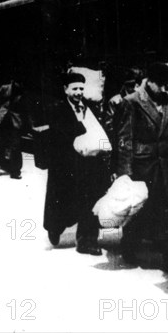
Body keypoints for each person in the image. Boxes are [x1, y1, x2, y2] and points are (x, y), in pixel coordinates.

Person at [116, 63, 168, 275]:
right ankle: (129, 244)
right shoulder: (132, 102)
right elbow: (124, 139)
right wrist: (125, 174)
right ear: (150, 81)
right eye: (160, 85)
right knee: (141, 209)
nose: (164, 90)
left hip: (167, 164)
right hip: (143, 165)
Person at [43, 72, 110, 255]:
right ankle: (55, 227)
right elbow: (61, 134)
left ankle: (87, 241)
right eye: (74, 89)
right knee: (63, 201)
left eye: (81, 88)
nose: (79, 92)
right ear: (66, 90)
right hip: (64, 164)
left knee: (91, 198)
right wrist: (81, 127)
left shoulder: (89, 109)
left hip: (86, 163)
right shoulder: (57, 108)